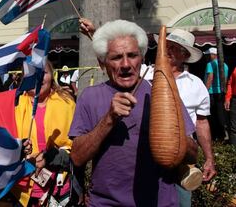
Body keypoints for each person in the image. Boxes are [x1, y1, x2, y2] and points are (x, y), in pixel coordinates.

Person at [69, 20, 198, 206]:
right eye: (116, 57)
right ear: (102, 63)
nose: (126, 64)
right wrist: (109, 119)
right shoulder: (89, 97)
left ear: (142, 58)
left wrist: (173, 136)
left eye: (132, 55)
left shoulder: (163, 94)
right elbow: (77, 157)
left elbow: (193, 154)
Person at [0, 61, 77, 206]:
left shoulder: (68, 104)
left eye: (44, 73)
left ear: (52, 75)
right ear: (24, 78)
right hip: (20, 191)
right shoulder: (13, 104)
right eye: (32, 73)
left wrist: (51, 158)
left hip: (58, 189)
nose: (39, 78)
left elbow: (78, 150)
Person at [154, 29, 216, 206]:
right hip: (147, 157)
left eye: (174, 47)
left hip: (182, 160)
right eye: (167, 45)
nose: (168, 50)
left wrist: (209, 159)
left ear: (185, 55)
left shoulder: (195, 84)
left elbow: (202, 122)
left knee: (180, 202)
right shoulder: (146, 76)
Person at [204, 47, 229, 141]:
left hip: (212, 93)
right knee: (220, 113)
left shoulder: (210, 64)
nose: (207, 57)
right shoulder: (224, 65)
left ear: (213, 55)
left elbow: (210, 77)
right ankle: (223, 134)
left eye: (208, 55)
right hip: (221, 93)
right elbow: (225, 79)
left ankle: (215, 135)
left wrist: (205, 90)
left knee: (212, 114)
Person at [225, 66, 236, 145]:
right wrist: (228, 98)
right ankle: (233, 150)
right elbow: (230, 83)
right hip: (235, 99)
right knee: (233, 127)